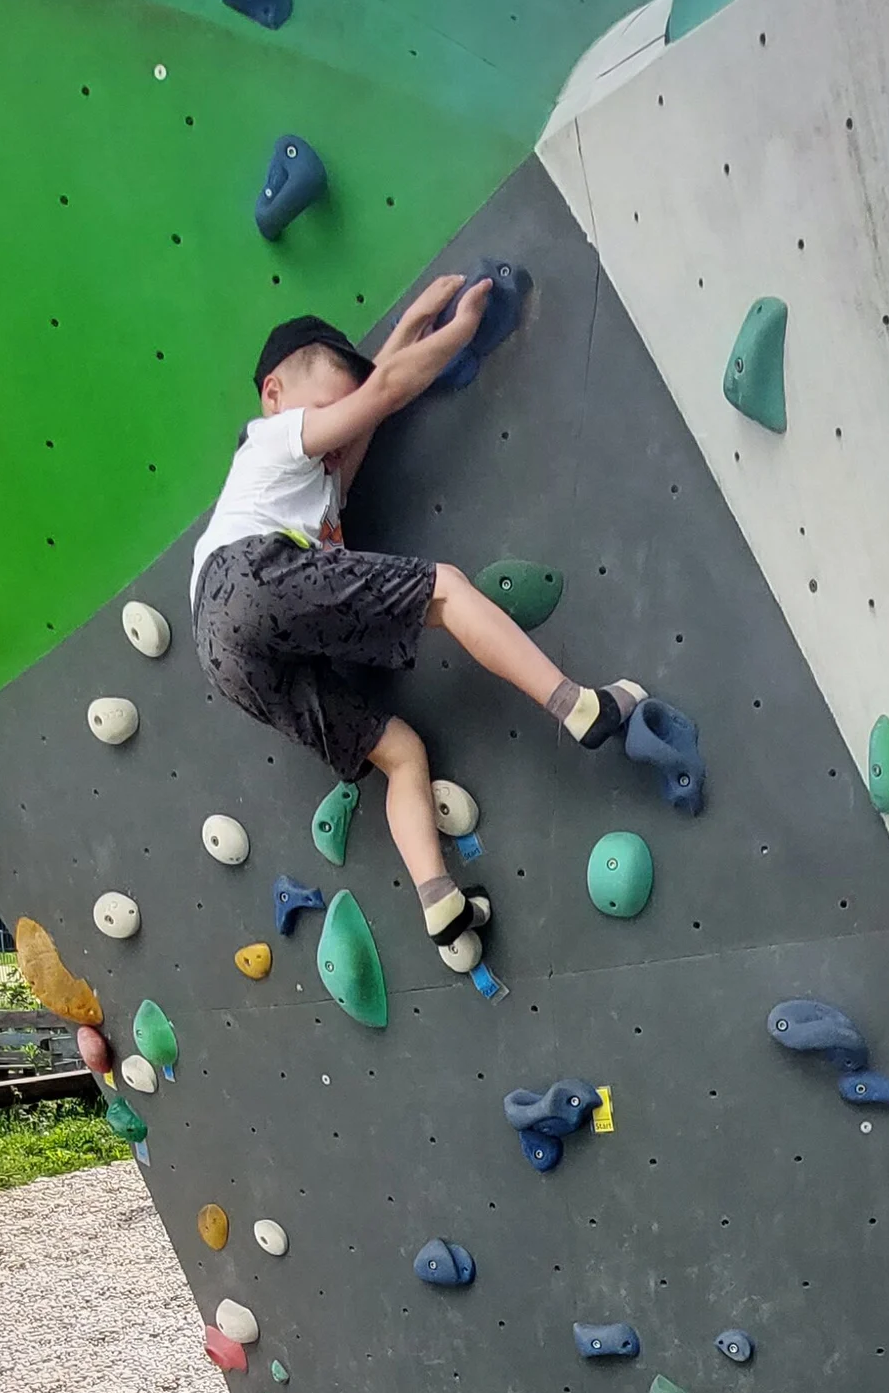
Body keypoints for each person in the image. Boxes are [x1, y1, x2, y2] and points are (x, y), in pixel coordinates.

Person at [190, 288, 639, 973]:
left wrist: (404, 328)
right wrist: (458, 330)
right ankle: (579, 705)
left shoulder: (314, 485)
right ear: (274, 392)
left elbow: (372, 404)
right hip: (250, 576)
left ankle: (442, 909)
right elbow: (385, 393)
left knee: (398, 752)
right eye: (327, 408)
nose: (336, 435)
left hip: (223, 653)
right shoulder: (272, 440)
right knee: (447, 588)